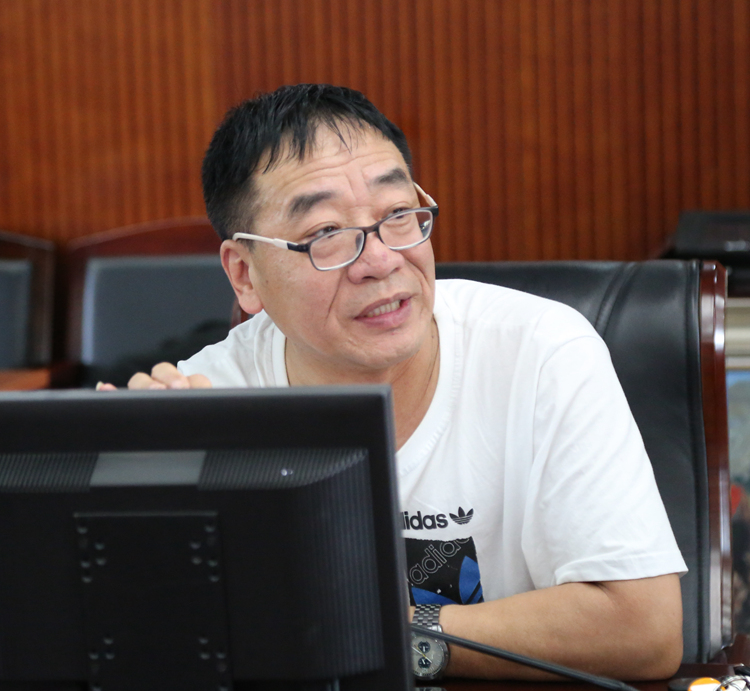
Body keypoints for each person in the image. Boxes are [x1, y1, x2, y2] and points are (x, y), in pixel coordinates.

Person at [106, 84, 686, 681]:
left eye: (397, 216)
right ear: (245, 275)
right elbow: (151, 644)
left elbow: (643, 629)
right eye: (326, 233)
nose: (381, 260)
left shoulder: (540, 352)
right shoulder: (208, 402)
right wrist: (138, 515)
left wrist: (381, 632)